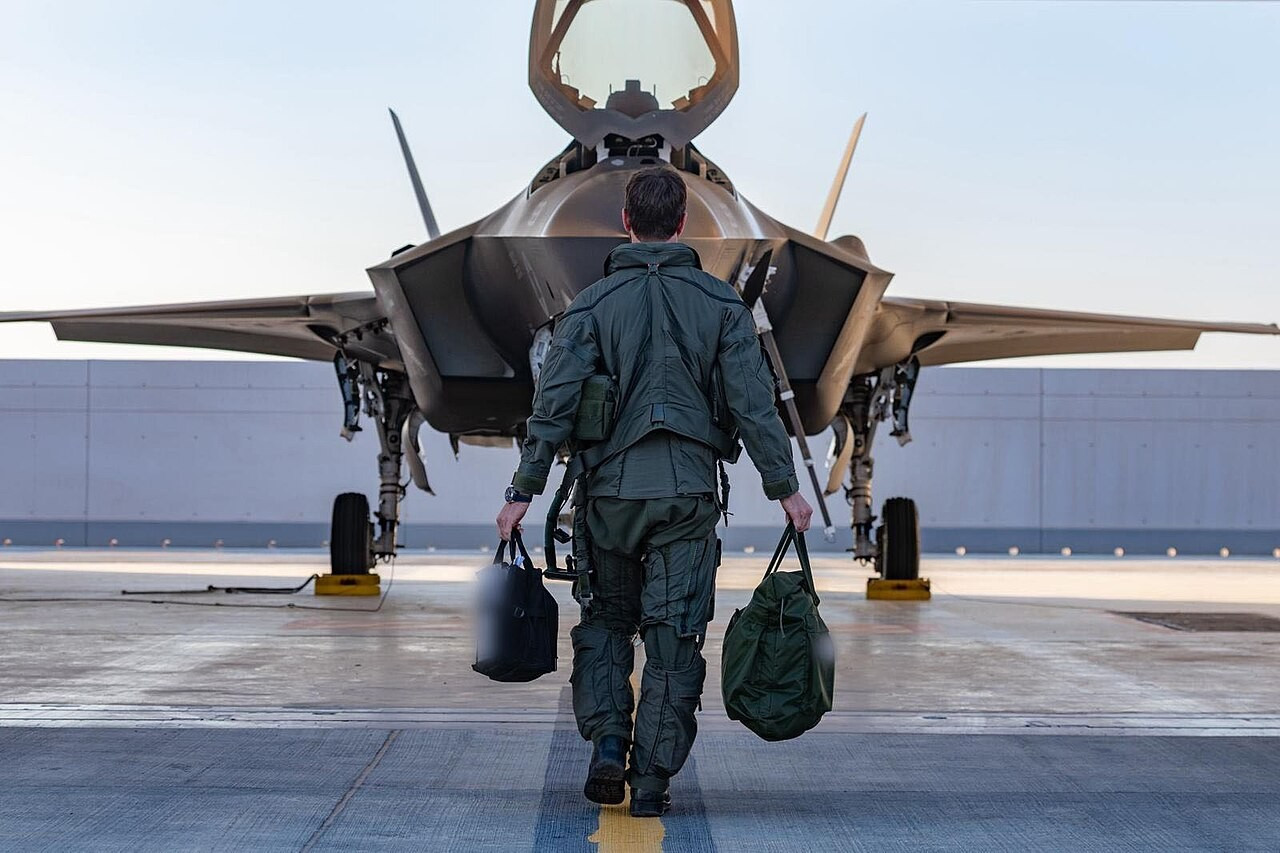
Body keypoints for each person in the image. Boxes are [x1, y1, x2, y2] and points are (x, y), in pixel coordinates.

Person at [496, 166, 812, 817]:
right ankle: (650, 782)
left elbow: (552, 406)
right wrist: (786, 489)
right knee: (673, 638)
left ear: (625, 224)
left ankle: (610, 742)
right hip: (687, 499)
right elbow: (754, 405)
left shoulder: (587, 307)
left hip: (606, 499)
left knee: (607, 625)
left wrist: (523, 490)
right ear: (685, 222)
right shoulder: (723, 307)